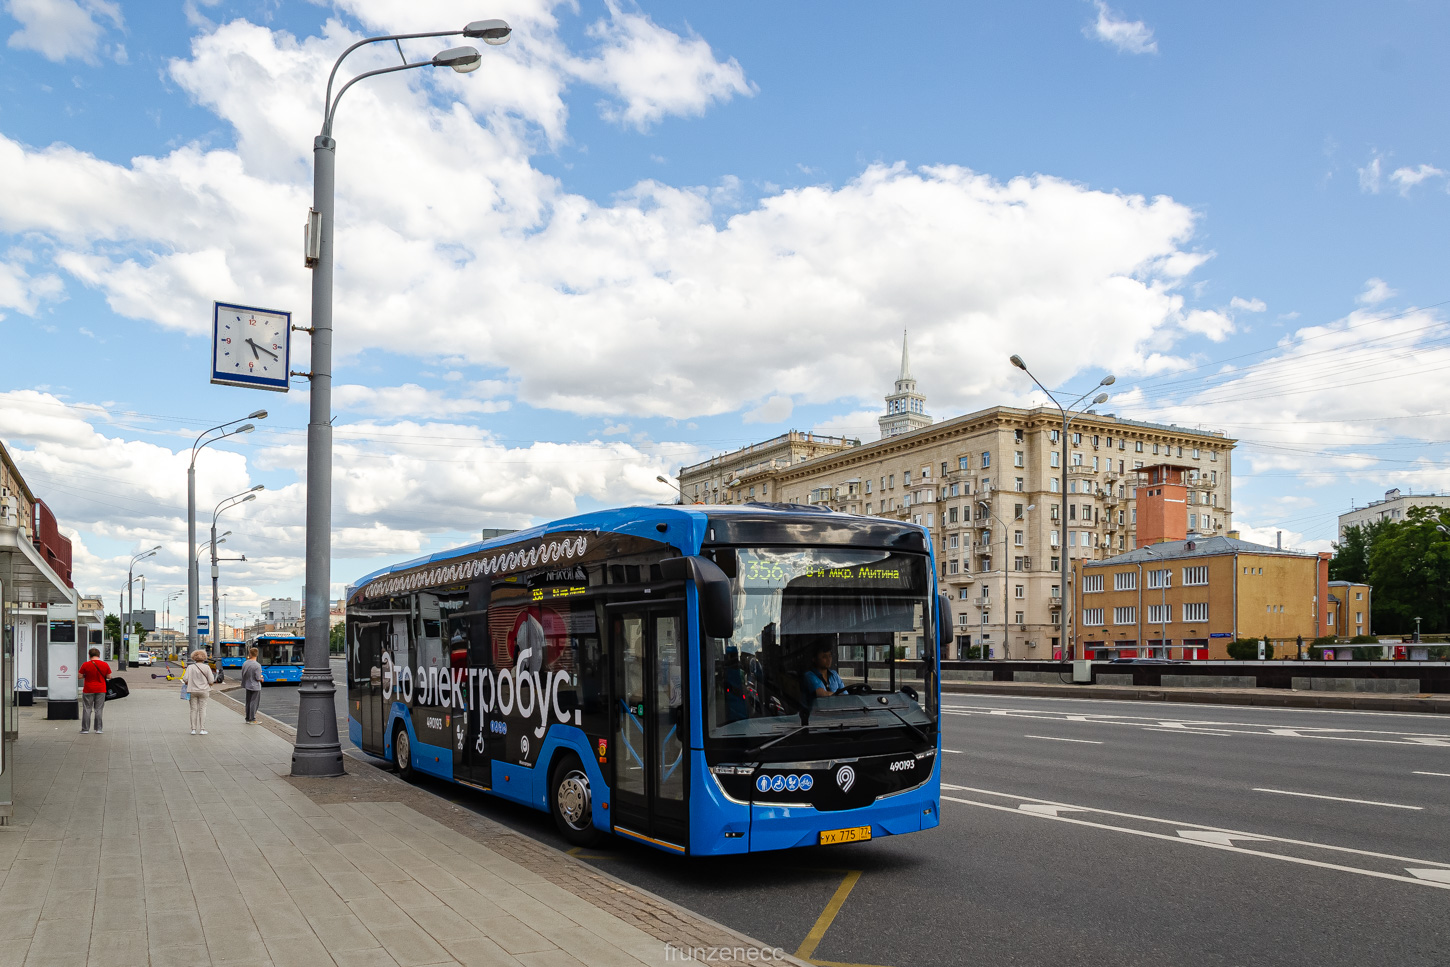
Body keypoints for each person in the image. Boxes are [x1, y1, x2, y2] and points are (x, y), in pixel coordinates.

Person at [182, 649, 216, 734]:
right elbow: (211, 680)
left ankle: (193, 729)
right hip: (204, 691)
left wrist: (189, 681)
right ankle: (202, 729)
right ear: (204, 658)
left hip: (192, 690)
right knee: (202, 709)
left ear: (194, 658)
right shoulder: (207, 667)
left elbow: (185, 678)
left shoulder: (190, 667)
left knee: (193, 709)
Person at [78, 647, 111, 734]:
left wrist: (86, 675)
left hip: (88, 689)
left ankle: (85, 729)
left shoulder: (85, 664)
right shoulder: (105, 665)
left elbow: (79, 676)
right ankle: (98, 729)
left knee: (87, 709)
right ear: (99, 655)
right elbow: (109, 677)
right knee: (98, 709)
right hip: (101, 689)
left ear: (89, 655)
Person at [240, 647, 263, 724]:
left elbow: (243, 674)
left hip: (247, 685)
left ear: (250, 653)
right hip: (255, 686)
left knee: (248, 702)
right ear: (257, 654)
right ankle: (252, 719)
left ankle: (247, 718)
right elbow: (258, 677)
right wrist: (261, 679)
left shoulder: (245, 663)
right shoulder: (257, 665)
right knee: (254, 702)